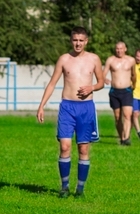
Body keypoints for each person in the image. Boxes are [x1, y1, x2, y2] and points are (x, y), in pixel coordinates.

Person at [37, 27, 104, 199]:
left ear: (86, 41)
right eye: (75, 40)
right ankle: (64, 187)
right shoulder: (64, 59)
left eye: (81, 40)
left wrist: (92, 87)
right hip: (67, 107)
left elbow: (101, 82)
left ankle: (80, 189)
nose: (78, 43)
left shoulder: (94, 59)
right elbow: (52, 83)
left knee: (83, 149)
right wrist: (41, 105)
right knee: (65, 146)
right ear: (71, 40)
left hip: (86, 108)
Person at [103, 41, 136, 145]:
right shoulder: (111, 60)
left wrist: (134, 84)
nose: (119, 50)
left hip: (126, 91)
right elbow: (102, 74)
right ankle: (122, 138)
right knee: (118, 117)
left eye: (121, 48)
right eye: (117, 48)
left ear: (125, 49)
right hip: (114, 91)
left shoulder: (131, 60)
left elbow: (134, 74)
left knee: (127, 115)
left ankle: (126, 138)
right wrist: (105, 79)